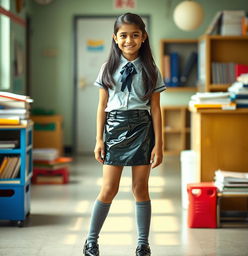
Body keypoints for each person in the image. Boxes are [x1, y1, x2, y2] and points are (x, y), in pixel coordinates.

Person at [83, 12, 166, 256]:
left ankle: (143, 244)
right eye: (123, 35)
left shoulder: (151, 69)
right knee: (109, 188)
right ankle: (90, 241)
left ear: (143, 37)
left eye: (134, 35)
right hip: (114, 127)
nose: (129, 40)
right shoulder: (107, 68)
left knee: (140, 188)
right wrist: (99, 139)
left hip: (142, 128)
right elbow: (102, 106)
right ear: (115, 38)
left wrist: (159, 144)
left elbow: (156, 109)